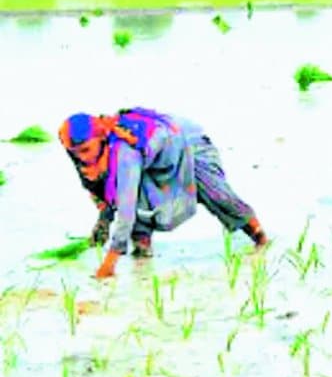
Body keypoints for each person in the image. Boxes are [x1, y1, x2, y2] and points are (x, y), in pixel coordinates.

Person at [58, 108, 268, 278]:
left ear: (103, 139)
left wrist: (109, 265)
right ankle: (142, 266)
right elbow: (101, 190)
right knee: (142, 210)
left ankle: (261, 240)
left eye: (86, 150)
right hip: (154, 162)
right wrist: (103, 221)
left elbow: (126, 209)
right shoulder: (82, 154)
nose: (81, 158)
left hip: (187, 143)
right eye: (75, 153)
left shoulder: (126, 151)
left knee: (218, 196)